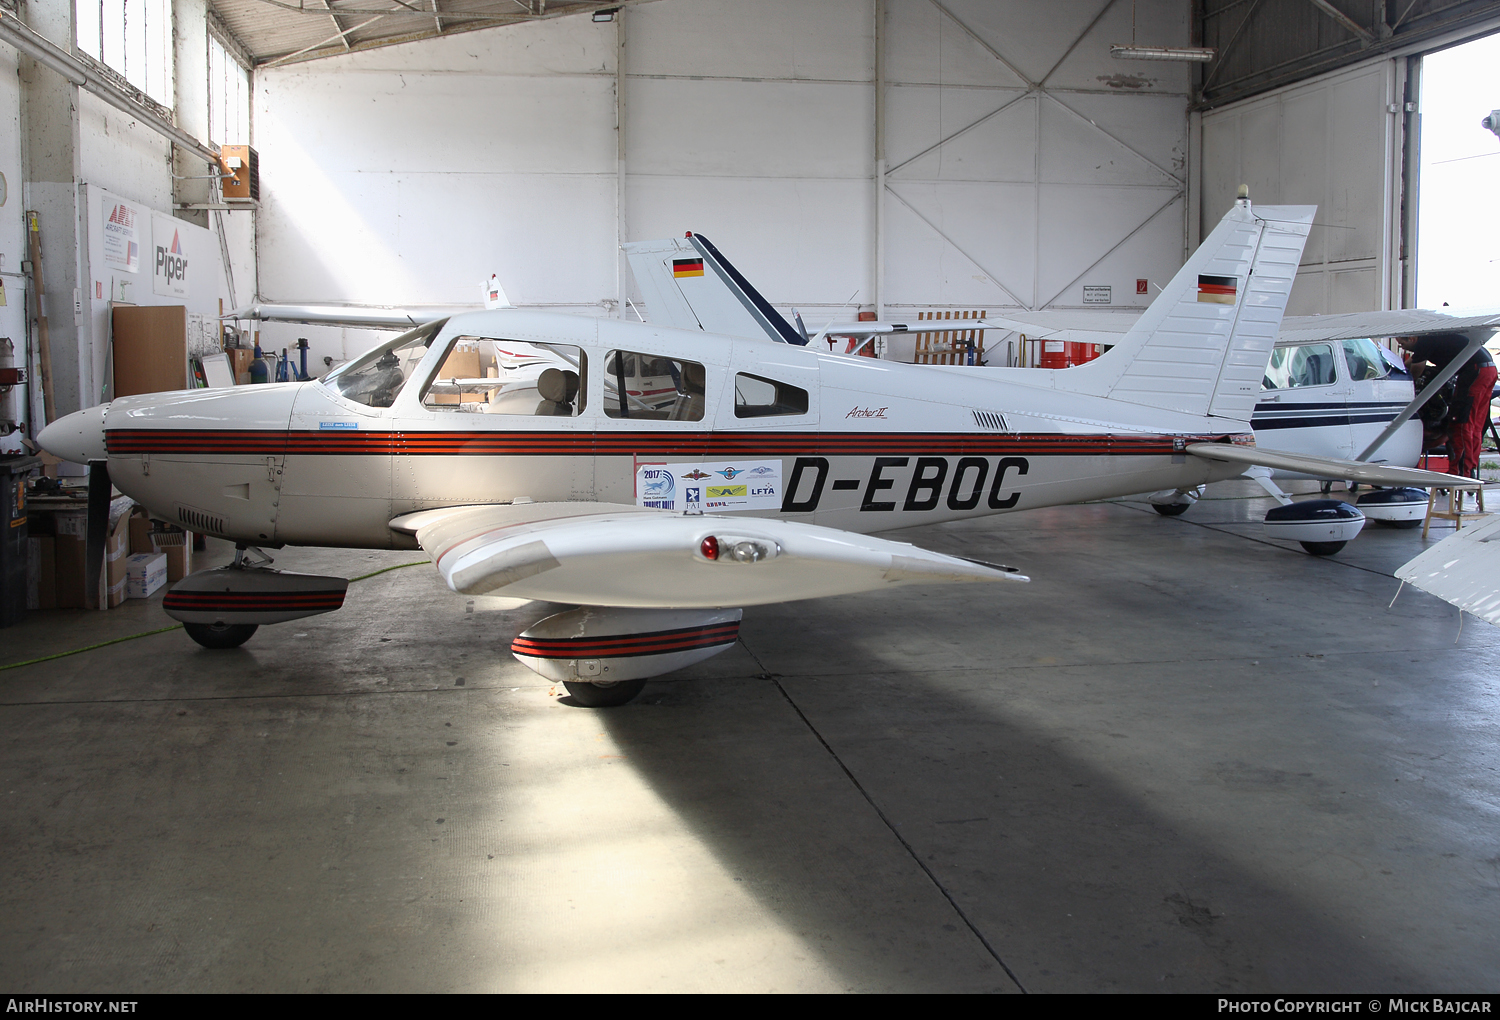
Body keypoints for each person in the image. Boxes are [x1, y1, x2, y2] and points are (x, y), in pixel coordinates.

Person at [1397, 333, 1497, 477]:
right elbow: (1409, 364)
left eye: (1402, 344)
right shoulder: (1430, 339)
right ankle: (1469, 467)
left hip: (1474, 373)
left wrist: (1406, 387)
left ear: (1412, 339)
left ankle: (1460, 472)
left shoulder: (1424, 342)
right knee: (1474, 423)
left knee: (1461, 422)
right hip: (1488, 370)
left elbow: (1417, 368)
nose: (1402, 347)